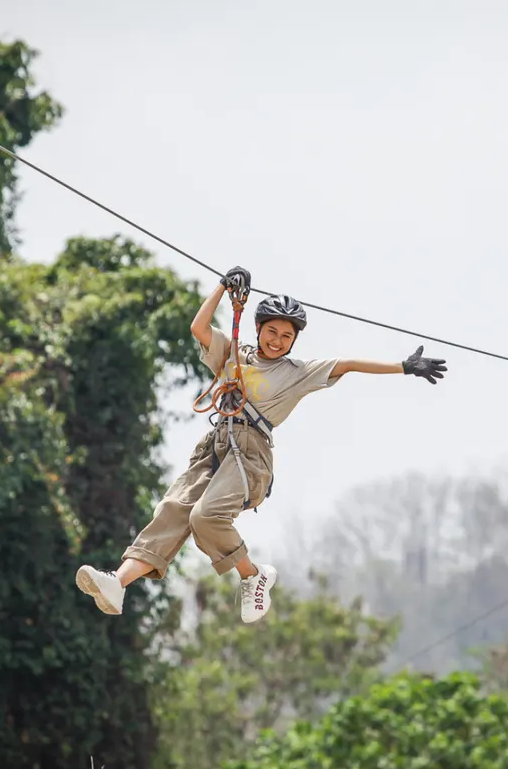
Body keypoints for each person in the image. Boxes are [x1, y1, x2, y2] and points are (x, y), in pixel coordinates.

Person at [75, 265, 447, 623]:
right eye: (272, 332)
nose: (278, 341)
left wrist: (403, 366)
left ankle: (254, 576)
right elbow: (198, 327)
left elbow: (347, 363)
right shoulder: (235, 353)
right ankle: (118, 582)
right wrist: (223, 286)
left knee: (205, 517)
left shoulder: (296, 373)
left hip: (250, 454)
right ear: (258, 328)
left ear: (295, 340)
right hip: (215, 444)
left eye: (287, 336)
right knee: (174, 509)